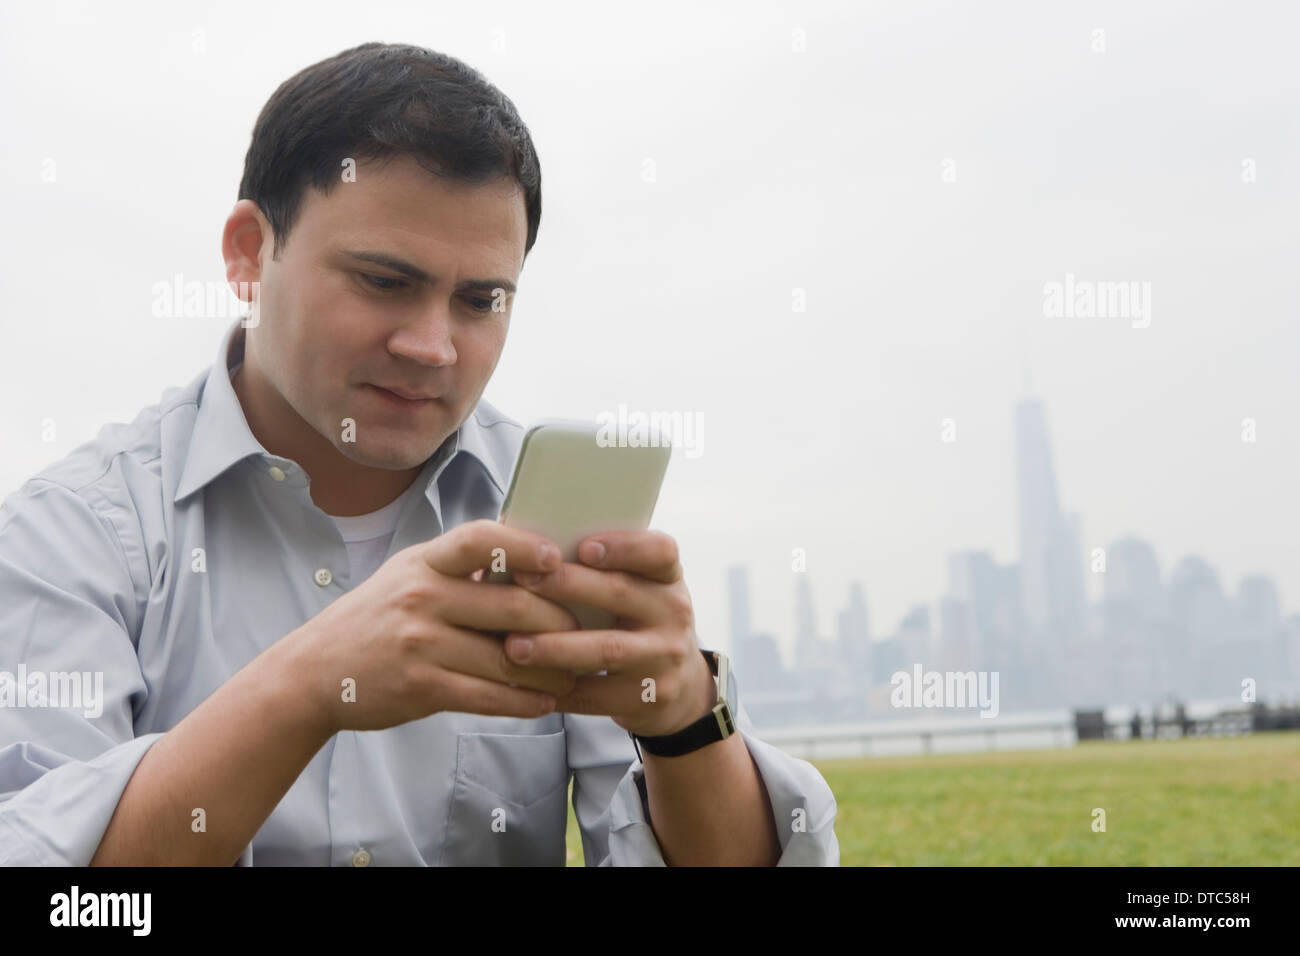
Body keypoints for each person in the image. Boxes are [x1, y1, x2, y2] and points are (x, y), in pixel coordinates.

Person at [0, 42, 838, 866]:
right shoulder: (75, 535)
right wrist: (309, 687)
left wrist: (687, 715)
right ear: (250, 255)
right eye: (383, 281)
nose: (433, 346)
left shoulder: (543, 521)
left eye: (481, 300)